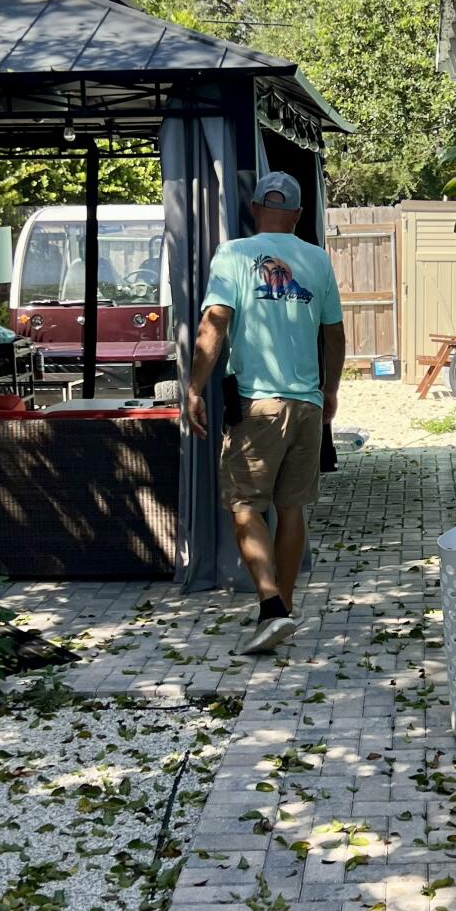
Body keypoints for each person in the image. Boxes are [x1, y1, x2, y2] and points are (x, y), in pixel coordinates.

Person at [185, 172, 346, 655]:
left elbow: (214, 323)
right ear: (297, 216)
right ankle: (282, 612)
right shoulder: (317, 259)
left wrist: (193, 387)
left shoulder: (233, 254)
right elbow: (335, 335)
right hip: (306, 405)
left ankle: (272, 606)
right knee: (290, 508)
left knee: (245, 505)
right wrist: (330, 392)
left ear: (255, 208)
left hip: (257, 405)